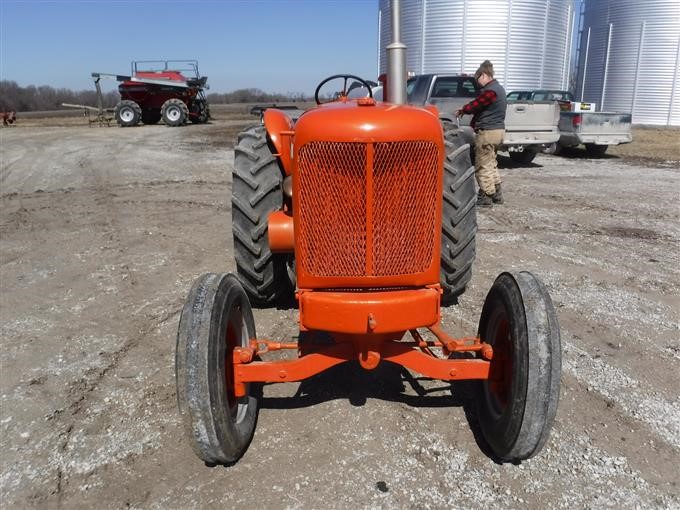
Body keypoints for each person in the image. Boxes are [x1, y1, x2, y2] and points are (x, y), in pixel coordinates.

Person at [456, 60, 506, 208]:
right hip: (499, 131)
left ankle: (486, 197)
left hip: (488, 132)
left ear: (484, 75)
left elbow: (476, 104)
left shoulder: (490, 91)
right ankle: (497, 194)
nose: (477, 83)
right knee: (492, 164)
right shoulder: (500, 89)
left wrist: (463, 110)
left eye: (477, 79)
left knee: (482, 165)